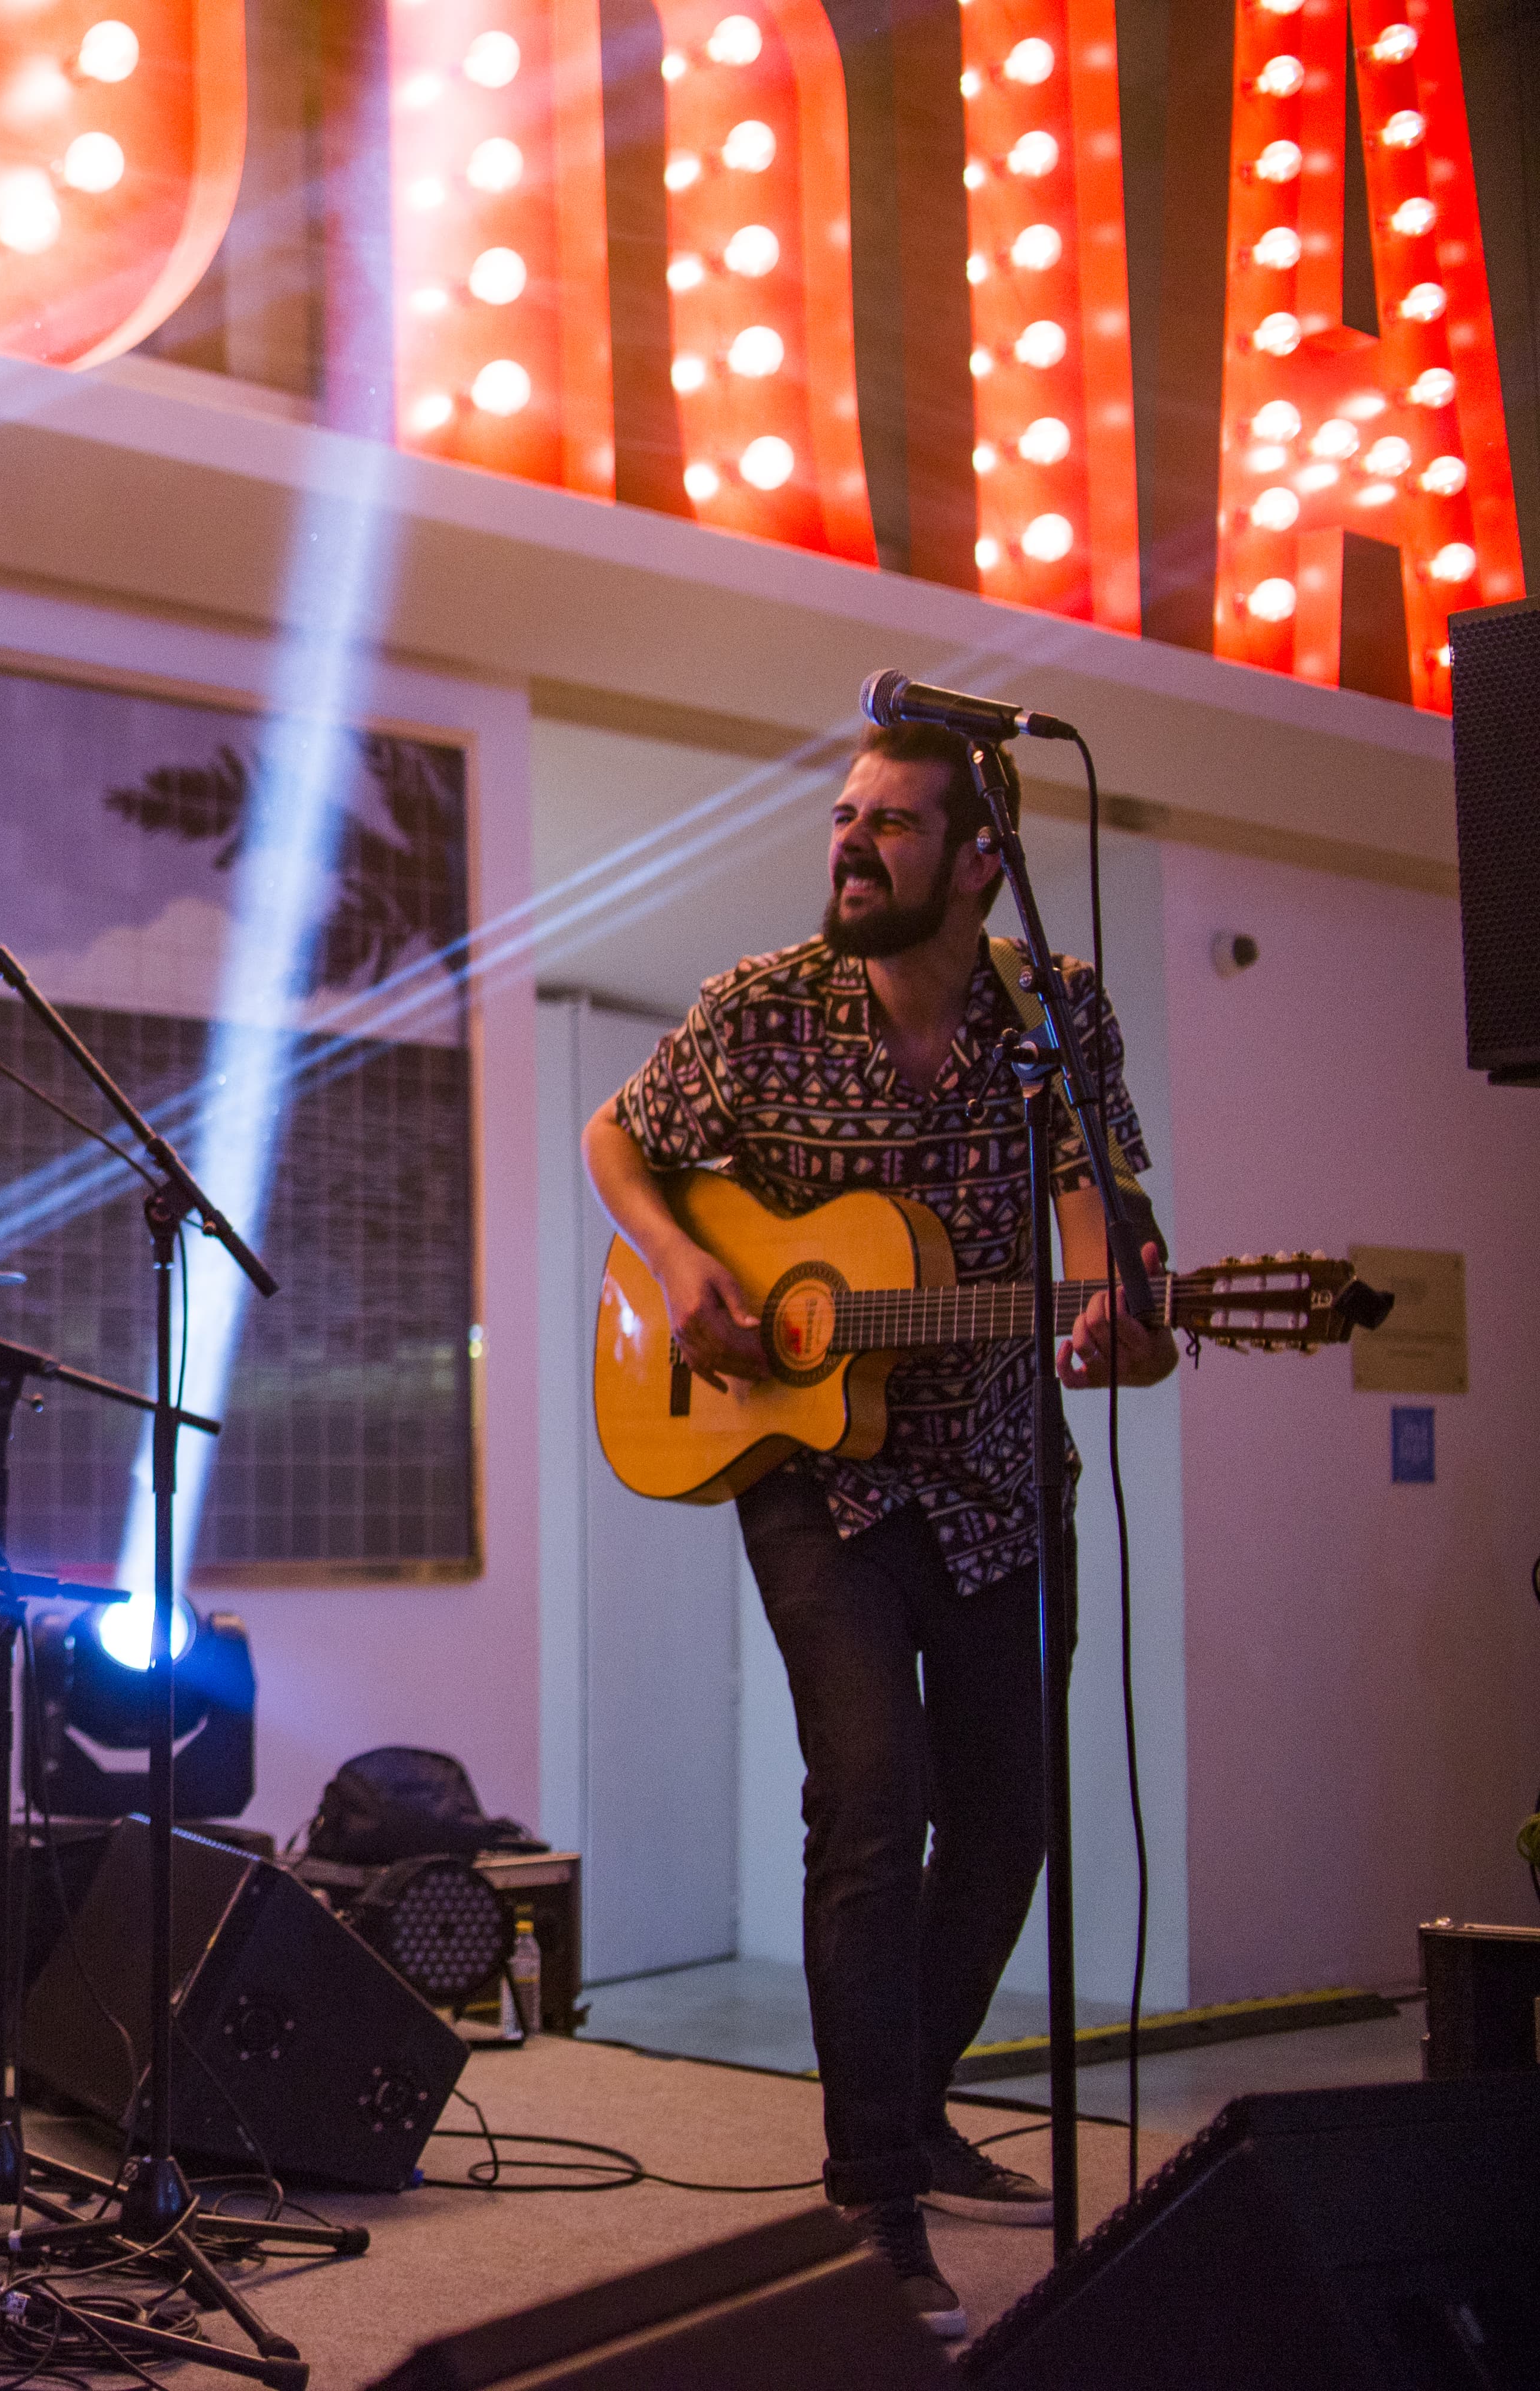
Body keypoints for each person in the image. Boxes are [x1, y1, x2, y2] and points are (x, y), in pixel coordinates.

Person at [580, 720, 1176, 2340]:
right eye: (846, 818)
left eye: (894, 825)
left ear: (983, 863)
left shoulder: (1053, 1017)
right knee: (873, 1794)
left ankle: (907, 2108)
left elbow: (1087, 1199)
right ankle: (875, 2197)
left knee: (1006, 1821)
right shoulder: (758, 1006)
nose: (853, 844)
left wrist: (1111, 1302)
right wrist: (683, 1266)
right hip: (813, 1471)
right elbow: (618, 1138)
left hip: (994, 1479)